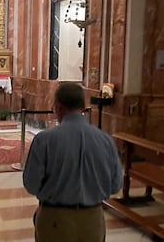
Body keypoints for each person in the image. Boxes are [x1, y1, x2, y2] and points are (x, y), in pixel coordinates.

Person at [23, 82, 122, 242]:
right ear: (83, 106)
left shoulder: (44, 140)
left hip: (55, 219)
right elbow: (116, 185)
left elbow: (31, 184)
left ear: (58, 106)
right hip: (93, 219)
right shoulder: (105, 140)